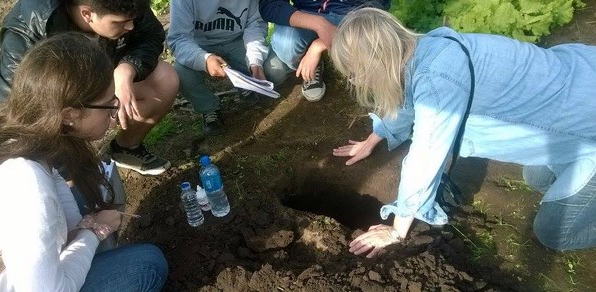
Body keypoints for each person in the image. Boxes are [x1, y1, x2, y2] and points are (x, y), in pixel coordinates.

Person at [330, 8, 596, 256]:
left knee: (552, 232)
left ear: (376, 62)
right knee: (538, 177)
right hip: (581, 81)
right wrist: (376, 137)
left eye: (354, 74)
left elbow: (427, 154)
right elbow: (408, 101)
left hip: (588, 125)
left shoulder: (437, 79)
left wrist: (397, 230)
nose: (355, 81)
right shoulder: (426, 50)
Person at [0, 33, 168, 291]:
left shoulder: (28, 141)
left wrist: (89, 229)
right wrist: (95, 232)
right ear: (70, 114)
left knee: (94, 190)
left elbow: (70, 221)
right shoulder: (28, 186)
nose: (114, 115)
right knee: (146, 266)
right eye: (108, 105)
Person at [0, 0, 179, 176]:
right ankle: (69, 169)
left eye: (132, 20)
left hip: (101, 79)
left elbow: (151, 35)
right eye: (120, 22)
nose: (130, 26)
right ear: (87, 14)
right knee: (75, 183)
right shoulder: (28, 31)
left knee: (164, 79)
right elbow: (16, 109)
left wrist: (127, 69)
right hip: (62, 103)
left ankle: (125, 148)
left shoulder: (125, 4)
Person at [168, 0, 272, 135]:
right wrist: (204, 60)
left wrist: (255, 61)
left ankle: (246, 84)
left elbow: (255, 25)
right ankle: (208, 108)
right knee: (181, 73)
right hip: (200, 46)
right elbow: (179, 38)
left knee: (273, 70)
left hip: (239, 41)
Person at [259, 0, 390, 101]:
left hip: (352, 14)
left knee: (373, 34)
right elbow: (269, 5)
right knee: (286, 44)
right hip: (306, 15)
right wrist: (319, 24)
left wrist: (318, 45)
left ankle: (350, 61)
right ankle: (312, 63)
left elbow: (378, 5)